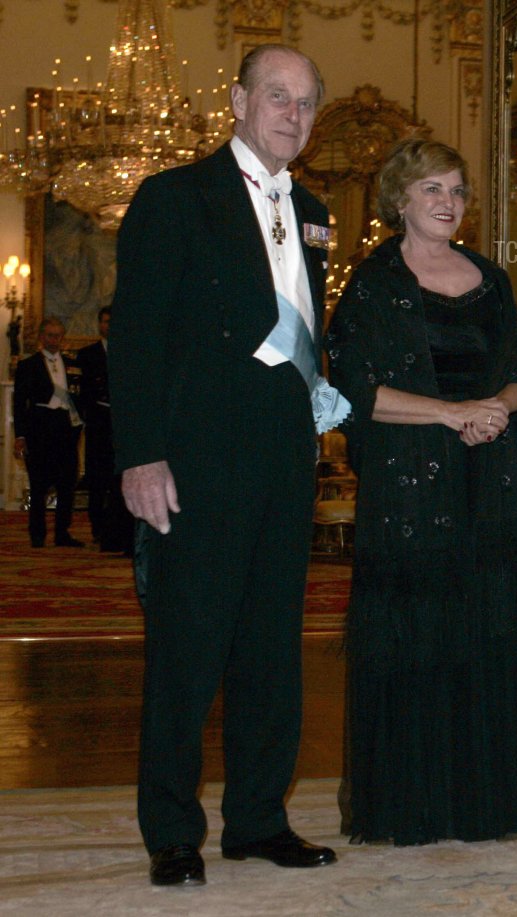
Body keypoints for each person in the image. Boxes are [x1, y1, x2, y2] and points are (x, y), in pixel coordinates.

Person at [109, 44, 343, 887]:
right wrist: (141, 453)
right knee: (187, 650)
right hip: (197, 459)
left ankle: (257, 817)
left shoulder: (312, 208)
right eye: (277, 96)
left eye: (307, 101)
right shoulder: (176, 198)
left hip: (284, 461)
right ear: (239, 101)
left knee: (272, 651)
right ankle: (172, 830)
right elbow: (134, 333)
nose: (292, 112)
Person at [326, 137, 517, 846]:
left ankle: (477, 804)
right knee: (415, 641)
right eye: (431, 190)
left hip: (488, 482)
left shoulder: (491, 279)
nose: (447, 202)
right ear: (401, 200)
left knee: (479, 639)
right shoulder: (374, 282)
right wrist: (449, 412)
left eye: (455, 190)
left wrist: (496, 409)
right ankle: (410, 806)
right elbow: (354, 391)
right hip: (411, 488)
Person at [12, 317, 84, 548]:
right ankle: (37, 534)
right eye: (50, 335)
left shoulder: (72, 364)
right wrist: (20, 436)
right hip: (40, 429)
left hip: (66, 428)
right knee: (39, 483)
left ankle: (62, 533)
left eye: (58, 336)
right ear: (42, 337)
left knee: (67, 483)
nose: (54, 340)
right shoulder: (28, 365)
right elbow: (19, 403)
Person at [76, 307, 133, 554]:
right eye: (106, 322)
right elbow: (79, 392)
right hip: (99, 423)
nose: (109, 326)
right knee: (97, 478)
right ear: (99, 324)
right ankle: (98, 527)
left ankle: (118, 530)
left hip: (122, 424)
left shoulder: (128, 353)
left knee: (120, 477)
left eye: (113, 321)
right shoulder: (86, 355)